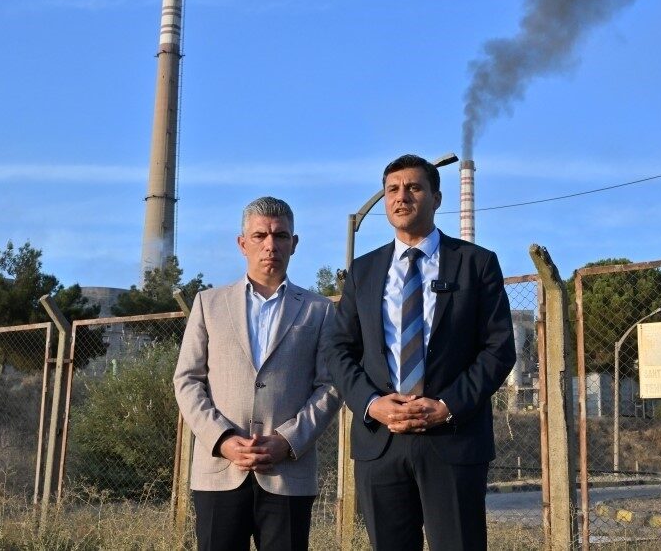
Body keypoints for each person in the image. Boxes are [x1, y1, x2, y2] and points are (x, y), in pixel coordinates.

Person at [325, 154, 516, 550]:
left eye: (413, 187)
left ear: (436, 197)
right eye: (392, 189)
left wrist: (447, 405)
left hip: (452, 438)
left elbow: (498, 349)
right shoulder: (364, 271)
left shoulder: (475, 265)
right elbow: (340, 350)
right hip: (382, 441)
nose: (401, 197)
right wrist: (372, 404)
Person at [173, 196, 341, 551]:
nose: (270, 245)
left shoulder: (319, 310)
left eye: (281, 236)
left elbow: (329, 385)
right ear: (242, 243)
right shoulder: (208, 303)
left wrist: (288, 440)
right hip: (219, 473)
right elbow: (187, 380)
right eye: (260, 234)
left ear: (293, 244)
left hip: (287, 475)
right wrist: (222, 439)